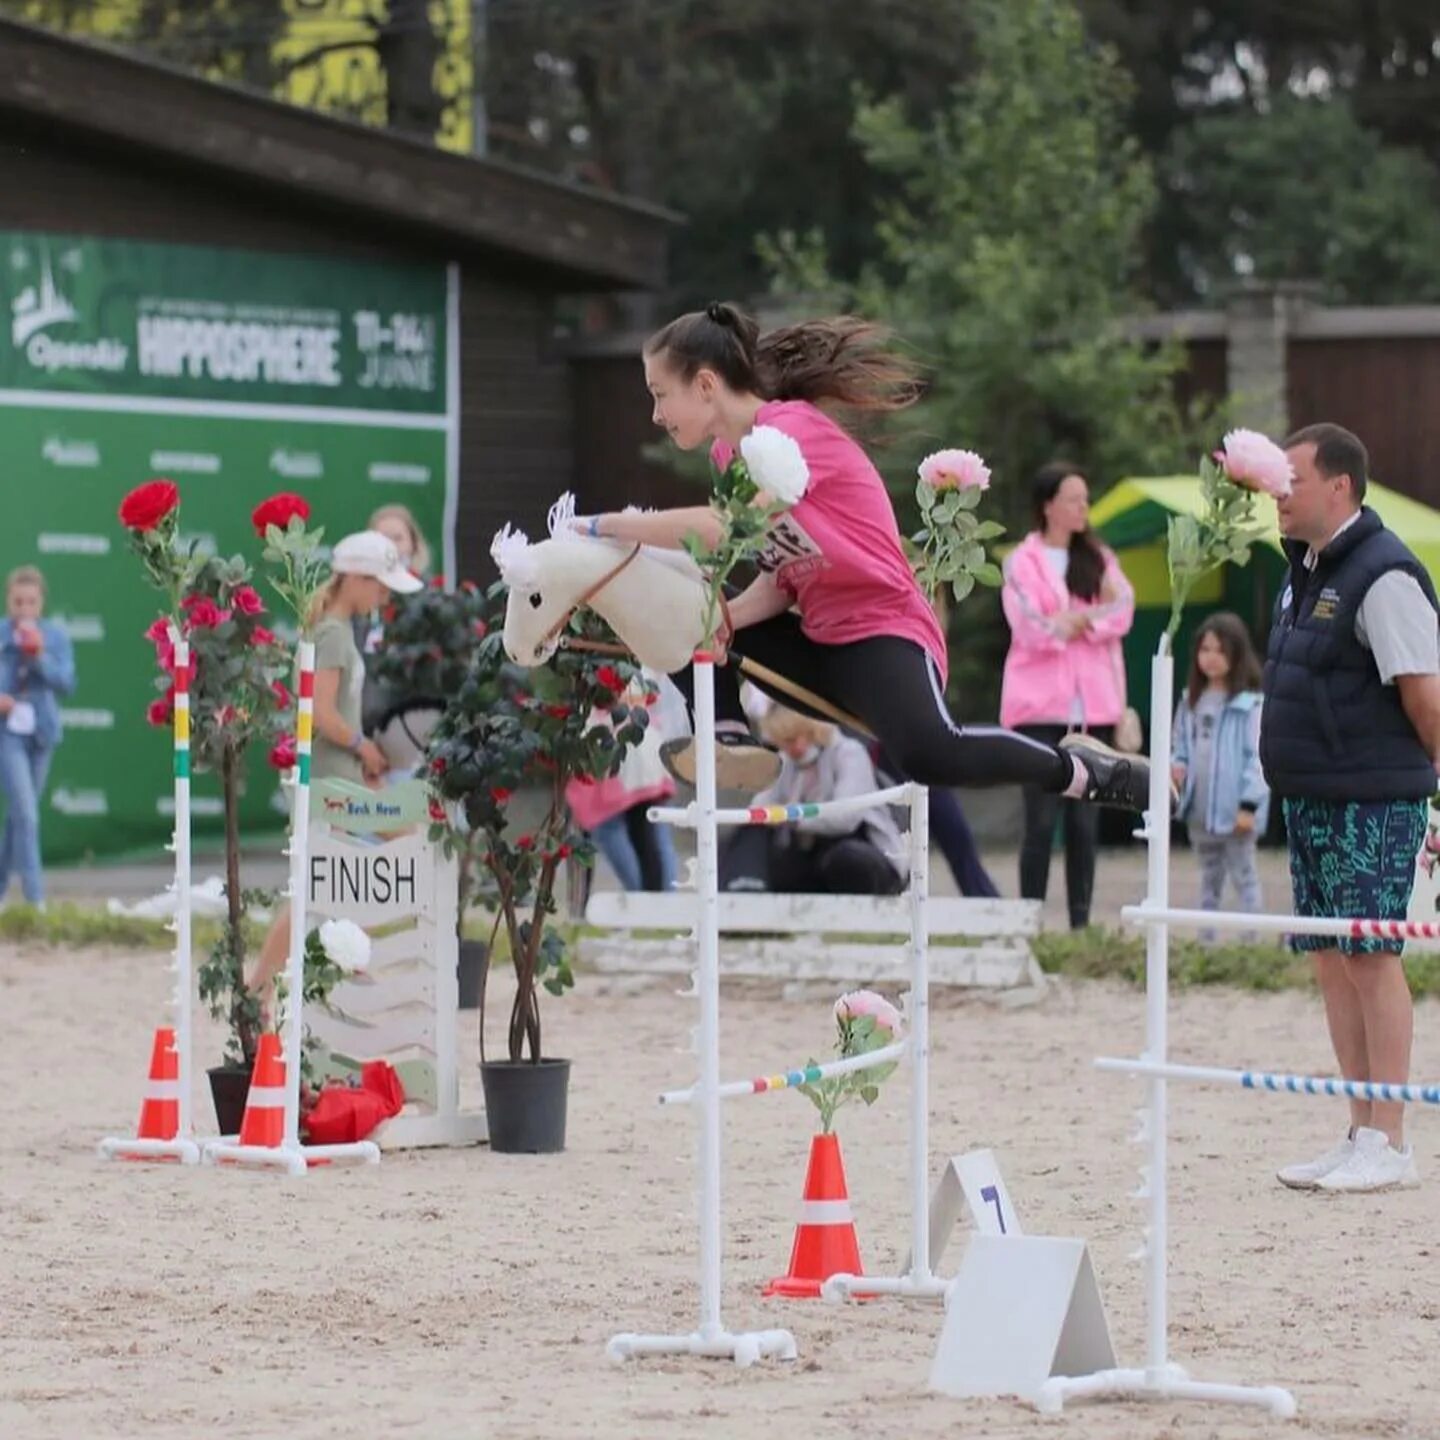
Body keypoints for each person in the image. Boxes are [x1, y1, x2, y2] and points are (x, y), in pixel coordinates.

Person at [569, 302, 1154, 822]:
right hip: (821, 636)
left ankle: (1076, 767)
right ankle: (725, 732)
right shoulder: (729, 453)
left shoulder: (791, 431)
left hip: (883, 629)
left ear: (703, 385)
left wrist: (607, 526)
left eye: (658, 393)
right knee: (690, 612)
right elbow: (785, 571)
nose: (654, 414)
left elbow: (723, 531)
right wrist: (728, 618)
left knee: (929, 755)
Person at [1265, 423, 1440, 1194]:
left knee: (1372, 957)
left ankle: (1392, 1138)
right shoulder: (1299, 569)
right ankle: (1358, 1127)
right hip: (1312, 796)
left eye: (1291, 480)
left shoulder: (1387, 574)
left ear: (1339, 485)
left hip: (1374, 795)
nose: (1278, 493)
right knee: (1332, 961)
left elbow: (1425, 696)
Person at [248, 531, 422, 998]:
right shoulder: (333, 636)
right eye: (381, 587)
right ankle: (280, 978)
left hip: (336, 773)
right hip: (332, 776)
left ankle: (333, 960)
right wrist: (363, 746)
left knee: (321, 883)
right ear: (357, 580)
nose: (385, 597)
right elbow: (321, 712)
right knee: (402, 847)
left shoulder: (332, 630)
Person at [1000, 463, 1136, 929]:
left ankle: (1081, 924)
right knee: (1039, 821)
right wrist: (1069, 624)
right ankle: (1030, 922)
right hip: (1038, 708)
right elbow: (1027, 621)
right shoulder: (1022, 560)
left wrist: (1085, 622)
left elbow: (1122, 608)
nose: (1083, 507)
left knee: (1084, 823)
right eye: (1074, 499)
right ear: (1048, 505)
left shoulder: (1098, 557)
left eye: (1085, 499)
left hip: (1092, 707)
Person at [720, 706, 904, 895]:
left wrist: (790, 817)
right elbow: (759, 809)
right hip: (811, 856)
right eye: (787, 741)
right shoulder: (785, 763)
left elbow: (845, 819)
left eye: (802, 736)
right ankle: (743, 890)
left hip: (862, 852)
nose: (796, 747)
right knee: (748, 834)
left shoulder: (849, 754)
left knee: (845, 859)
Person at [1171, 612, 1268, 930]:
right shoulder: (1189, 703)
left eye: (1220, 650)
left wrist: (1248, 804)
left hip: (1236, 812)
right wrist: (1176, 774)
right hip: (1199, 812)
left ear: (1237, 655)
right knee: (1208, 879)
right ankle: (1207, 945)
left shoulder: (1250, 705)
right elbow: (1180, 748)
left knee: (1244, 877)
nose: (1211, 658)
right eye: (1205, 649)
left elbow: (1258, 758)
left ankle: (1252, 948)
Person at [566, 672, 680, 902]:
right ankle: (666, 903)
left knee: (610, 828)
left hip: (613, 749)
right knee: (655, 831)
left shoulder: (599, 669)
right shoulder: (641, 665)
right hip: (645, 747)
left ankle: (641, 901)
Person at [0, 566, 75, 907]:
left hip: (43, 732)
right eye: (18, 602)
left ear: (41, 602)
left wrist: (39, 656)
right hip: (8, 733)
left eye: (31, 602)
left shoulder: (55, 637)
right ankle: (35, 901)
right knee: (27, 814)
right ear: (8, 602)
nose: (24, 609)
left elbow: (67, 683)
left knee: (19, 816)